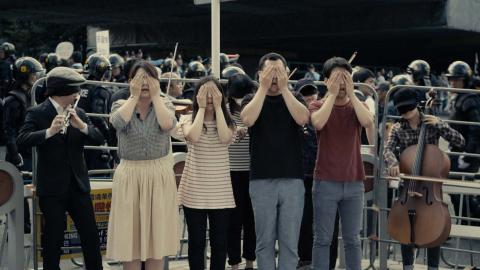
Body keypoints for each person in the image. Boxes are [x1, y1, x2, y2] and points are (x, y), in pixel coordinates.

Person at [17, 67, 104, 270]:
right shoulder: (37, 112)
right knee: (53, 238)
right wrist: (49, 131)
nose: (77, 95)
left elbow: (99, 138)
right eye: (74, 90)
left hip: (78, 185)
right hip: (52, 187)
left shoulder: (79, 112)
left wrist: (81, 126)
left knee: (90, 236)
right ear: (62, 91)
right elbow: (22, 140)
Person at [106, 61, 178, 270]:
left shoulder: (165, 103)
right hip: (130, 174)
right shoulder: (121, 104)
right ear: (130, 82)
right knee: (130, 237)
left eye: (150, 78)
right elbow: (117, 122)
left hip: (158, 173)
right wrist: (135, 96)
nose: (144, 83)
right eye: (139, 79)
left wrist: (156, 96)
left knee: (158, 238)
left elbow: (167, 124)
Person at [241, 52, 310, 270]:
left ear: (288, 73)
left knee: (290, 243)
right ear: (260, 74)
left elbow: (302, 118)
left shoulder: (295, 97)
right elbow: (248, 119)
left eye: (279, 71)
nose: (274, 77)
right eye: (270, 72)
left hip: (292, 178)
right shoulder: (252, 98)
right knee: (264, 242)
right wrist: (262, 87)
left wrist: (284, 88)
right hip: (261, 179)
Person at [384, 88, 465, 270]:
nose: (406, 114)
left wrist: (440, 124)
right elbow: (387, 150)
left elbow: (460, 141)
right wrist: (393, 162)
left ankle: (433, 267)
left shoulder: (433, 123)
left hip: (430, 187)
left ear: (417, 105)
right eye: (402, 111)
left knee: (433, 226)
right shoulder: (398, 128)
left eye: (409, 109)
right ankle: (407, 266)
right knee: (405, 226)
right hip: (408, 187)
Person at [309, 57, 374, 270]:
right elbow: (318, 122)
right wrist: (332, 93)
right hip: (325, 181)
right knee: (322, 239)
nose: (342, 83)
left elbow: (368, 122)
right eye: (337, 78)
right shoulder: (317, 105)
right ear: (326, 80)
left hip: (354, 181)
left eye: (346, 78)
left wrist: (352, 92)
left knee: (353, 240)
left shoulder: (358, 105)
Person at [176, 76, 236, 270]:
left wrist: (219, 108)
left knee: (220, 244)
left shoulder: (229, 122)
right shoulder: (187, 118)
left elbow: (225, 138)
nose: (209, 97)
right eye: (204, 92)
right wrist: (201, 108)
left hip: (221, 192)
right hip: (194, 191)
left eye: (214, 93)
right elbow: (192, 137)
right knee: (196, 243)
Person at [225, 73, 257, 270]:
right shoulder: (225, 111)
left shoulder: (254, 108)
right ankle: (234, 262)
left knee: (252, 220)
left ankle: (250, 262)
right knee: (233, 221)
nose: (240, 100)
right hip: (230, 171)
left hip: (254, 171)